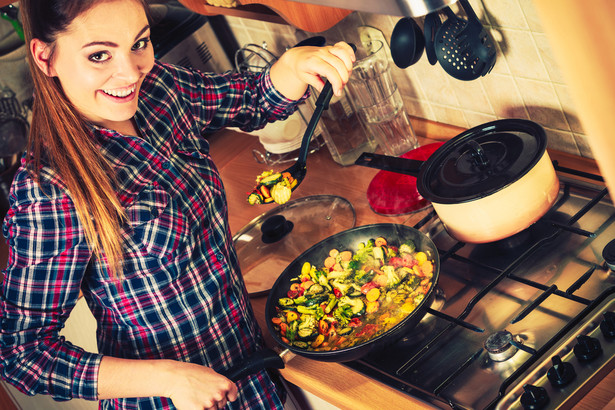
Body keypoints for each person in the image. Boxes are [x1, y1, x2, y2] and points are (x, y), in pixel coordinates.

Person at [0, 0, 355, 409]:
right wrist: (168, 378)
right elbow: (23, 355)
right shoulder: (50, 190)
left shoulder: (160, 89)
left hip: (255, 377)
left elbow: (254, 100)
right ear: (46, 57)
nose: (130, 72)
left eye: (140, 43)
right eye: (99, 55)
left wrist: (296, 66)